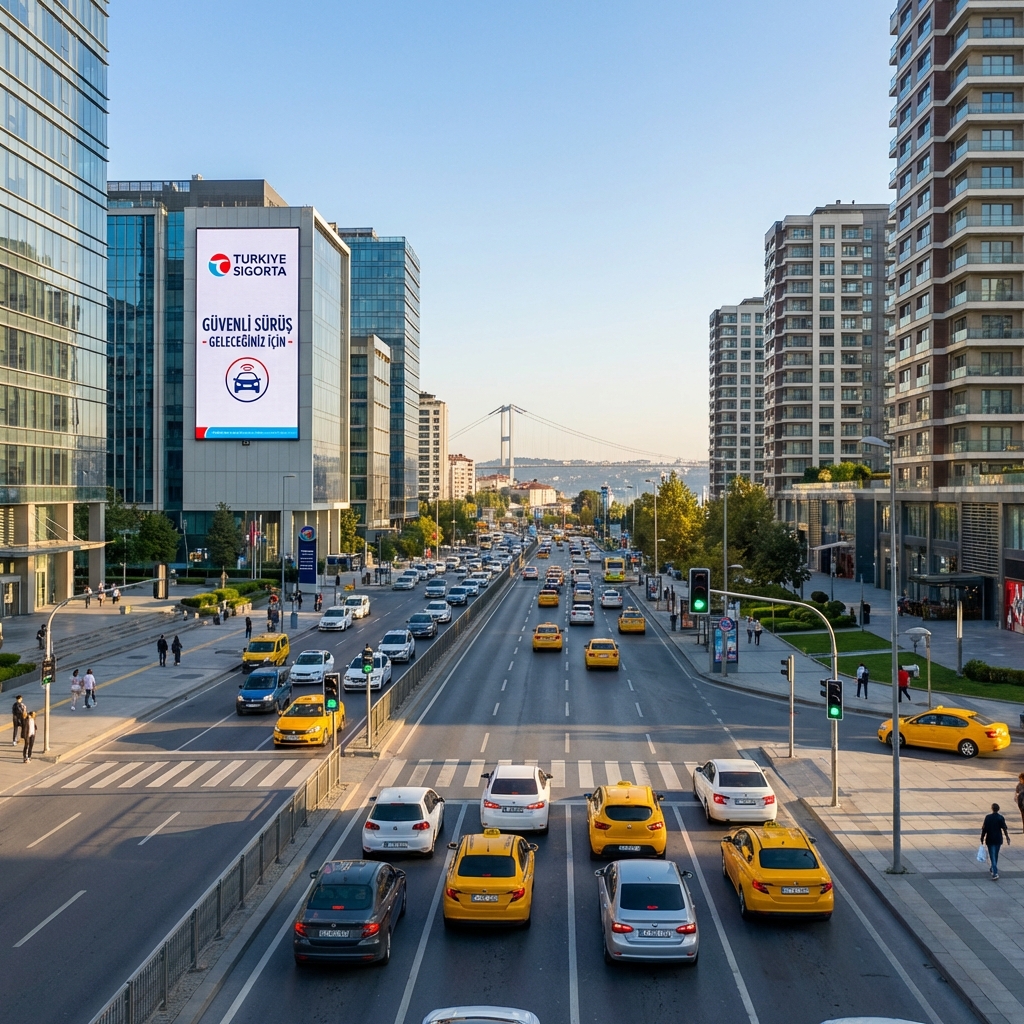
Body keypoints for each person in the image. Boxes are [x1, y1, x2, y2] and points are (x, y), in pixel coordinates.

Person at [981, 802, 1010, 879]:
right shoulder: (1000, 817)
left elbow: (984, 829)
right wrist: (1007, 837)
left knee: (992, 856)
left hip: (990, 839)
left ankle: (995, 872)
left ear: (992, 809)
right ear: (998, 809)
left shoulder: (988, 817)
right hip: (998, 839)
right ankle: (993, 868)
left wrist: (982, 837)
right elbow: (1004, 828)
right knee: (995, 855)